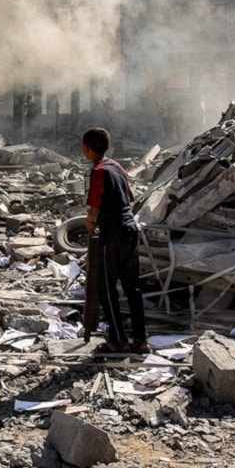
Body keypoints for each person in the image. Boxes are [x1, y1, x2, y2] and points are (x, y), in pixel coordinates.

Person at [80, 127, 148, 354]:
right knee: (132, 286)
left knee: (106, 287)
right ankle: (141, 340)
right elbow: (130, 196)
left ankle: (118, 341)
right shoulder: (117, 166)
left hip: (113, 233)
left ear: (87, 148)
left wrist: (91, 223)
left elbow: (93, 212)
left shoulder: (99, 171)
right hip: (130, 229)